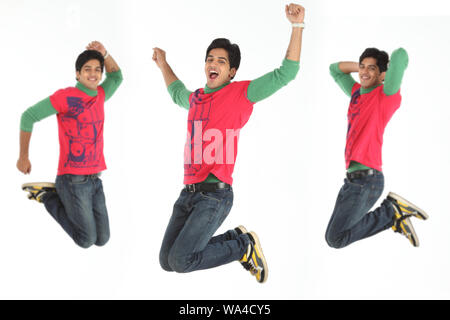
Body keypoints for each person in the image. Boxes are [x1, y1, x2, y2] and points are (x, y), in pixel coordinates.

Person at [152, 4, 305, 283]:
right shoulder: (196, 98)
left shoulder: (240, 93)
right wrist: (163, 64)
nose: (213, 64)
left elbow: (287, 73)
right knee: (167, 261)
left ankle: (242, 247)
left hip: (215, 195)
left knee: (181, 260)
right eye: (210, 59)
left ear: (232, 71)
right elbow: (176, 92)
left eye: (221, 61)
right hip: (188, 194)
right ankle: (237, 238)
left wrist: (297, 27)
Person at [17, 41, 123, 249]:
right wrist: (23, 156)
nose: (93, 74)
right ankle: (49, 196)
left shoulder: (100, 96)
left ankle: (56, 195)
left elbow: (117, 76)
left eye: (97, 70)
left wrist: (106, 53)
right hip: (72, 178)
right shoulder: (66, 96)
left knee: (102, 239)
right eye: (87, 69)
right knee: (85, 240)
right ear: (77, 74)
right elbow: (28, 116)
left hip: (94, 178)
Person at [325, 47, 428, 249]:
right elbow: (334, 70)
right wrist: (364, 69)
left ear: (382, 74)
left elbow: (400, 55)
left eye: (372, 68)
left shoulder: (385, 96)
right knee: (332, 237)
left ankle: (391, 213)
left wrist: (382, 74)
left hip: (367, 179)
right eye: (362, 67)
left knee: (335, 238)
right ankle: (393, 215)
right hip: (352, 181)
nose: (364, 71)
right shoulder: (356, 93)